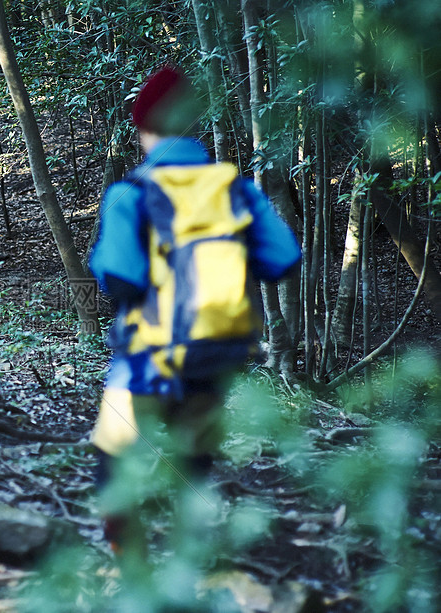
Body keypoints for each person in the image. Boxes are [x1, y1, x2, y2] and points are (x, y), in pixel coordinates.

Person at [88, 66, 301, 555]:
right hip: (220, 352)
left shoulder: (133, 194)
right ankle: (190, 564)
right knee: (194, 458)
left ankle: (132, 566)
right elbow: (284, 259)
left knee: (113, 456)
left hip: (148, 357)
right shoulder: (237, 190)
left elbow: (119, 279)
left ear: (143, 128)